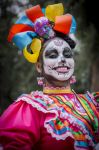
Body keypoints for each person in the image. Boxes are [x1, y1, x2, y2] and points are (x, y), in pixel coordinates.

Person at [0, 3, 99, 150]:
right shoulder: (29, 108)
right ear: (39, 66)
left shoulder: (93, 103)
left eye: (67, 54)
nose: (62, 59)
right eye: (53, 55)